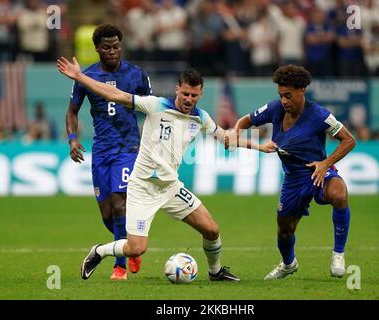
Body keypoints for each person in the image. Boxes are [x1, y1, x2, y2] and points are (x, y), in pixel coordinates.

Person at [58, 58, 274, 282]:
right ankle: (99, 251)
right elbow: (115, 95)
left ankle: (215, 272)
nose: (189, 99)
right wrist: (80, 77)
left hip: (170, 188)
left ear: (200, 94)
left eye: (194, 95)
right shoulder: (155, 105)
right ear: (177, 90)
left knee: (212, 230)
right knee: (136, 248)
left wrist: (260, 147)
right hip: (143, 188)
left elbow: (227, 138)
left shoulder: (201, 118)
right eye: (185, 94)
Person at [231, 65, 356, 279]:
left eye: (288, 96)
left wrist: (326, 163)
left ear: (302, 91)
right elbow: (245, 121)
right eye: (281, 96)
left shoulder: (320, 115)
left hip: (317, 172)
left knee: (339, 193)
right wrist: (235, 134)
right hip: (293, 180)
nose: (284, 101)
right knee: (284, 230)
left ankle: (338, 254)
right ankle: (288, 264)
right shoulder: (274, 109)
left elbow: (349, 140)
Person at [65, 24, 152, 280]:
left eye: (116, 46)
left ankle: (119, 267)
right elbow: (71, 111)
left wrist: (150, 145)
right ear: (97, 49)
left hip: (129, 148)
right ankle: (130, 247)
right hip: (101, 151)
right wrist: (72, 139)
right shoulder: (87, 77)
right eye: (107, 47)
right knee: (107, 214)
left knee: (119, 204)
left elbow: (152, 110)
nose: (113, 51)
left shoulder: (137, 75)